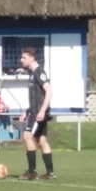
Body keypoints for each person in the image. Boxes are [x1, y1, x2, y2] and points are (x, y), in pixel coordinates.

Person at [18, 47, 56, 180]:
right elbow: (36, 98)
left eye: (24, 58)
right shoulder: (32, 74)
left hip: (38, 113)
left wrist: (42, 111)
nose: (21, 60)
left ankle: (32, 171)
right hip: (34, 112)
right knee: (41, 140)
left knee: (27, 137)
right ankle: (50, 173)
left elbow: (49, 91)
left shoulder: (39, 72)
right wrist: (27, 112)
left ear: (32, 58)